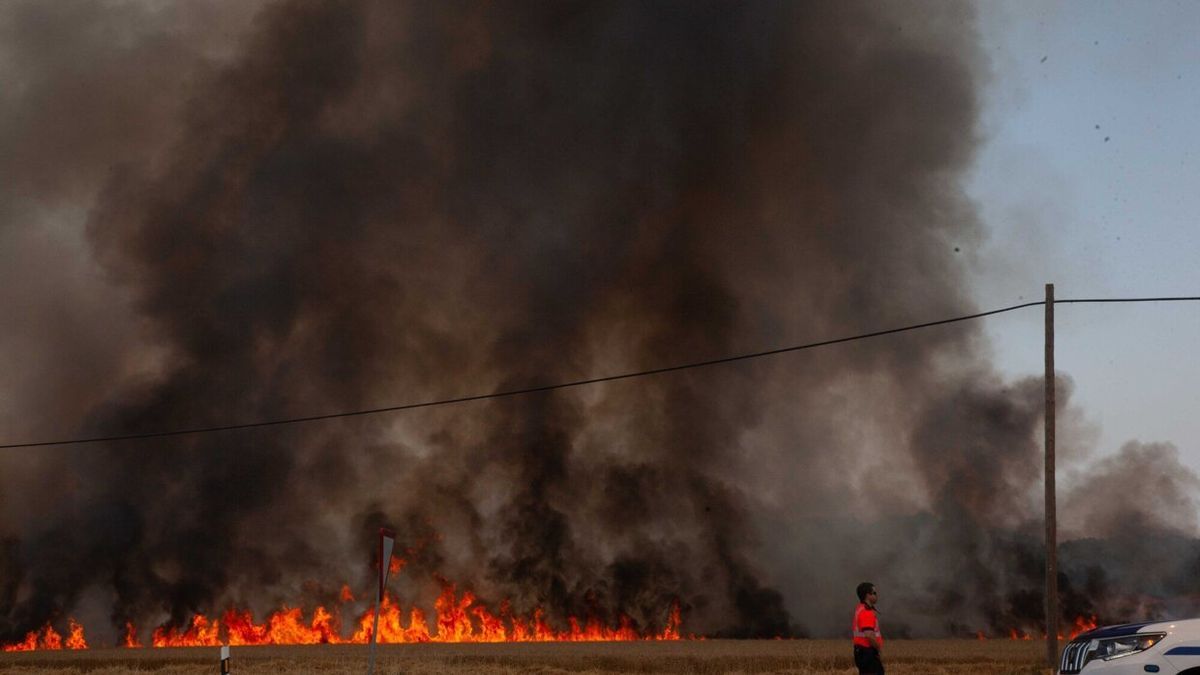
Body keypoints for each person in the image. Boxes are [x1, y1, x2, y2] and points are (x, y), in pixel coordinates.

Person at [852, 581, 884, 674]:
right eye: (874, 593)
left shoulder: (860, 608)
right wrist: (878, 648)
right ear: (868, 595)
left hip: (861, 652)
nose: (876, 595)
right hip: (867, 652)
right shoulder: (866, 612)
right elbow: (869, 635)